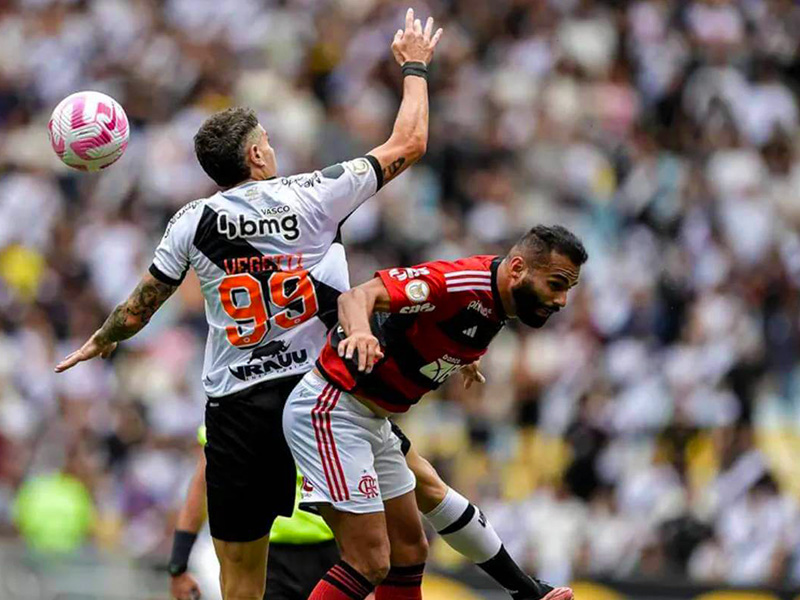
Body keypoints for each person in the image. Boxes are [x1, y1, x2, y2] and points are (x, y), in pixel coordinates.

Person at [55, 8, 443, 599]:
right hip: (317, 395)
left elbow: (138, 309)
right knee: (381, 552)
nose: (273, 148)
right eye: (267, 141)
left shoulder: (191, 221)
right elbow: (409, 142)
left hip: (237, 410)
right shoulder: (317, 194)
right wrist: (414, 65)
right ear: (257, 156)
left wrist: (103, 339)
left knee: (240, 584)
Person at [283, 225, 588, 600]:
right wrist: (360, 333)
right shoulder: (456, 283)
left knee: (410, 551)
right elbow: (355, 298)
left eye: (568, 290)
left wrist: (465, 359)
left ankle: (526, 591)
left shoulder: (500, 304)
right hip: (332, 407)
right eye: (556, 284)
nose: (561, 301)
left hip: (371, 420)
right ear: (518, 269)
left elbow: (448, 327)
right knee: (369, 560)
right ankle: (526, 591)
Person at [170, 420, 559, 600]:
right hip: (278, 554)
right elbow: (204, 483)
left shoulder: (333, 399)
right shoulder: (245, 399)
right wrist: (178, 562)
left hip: (335, 552)